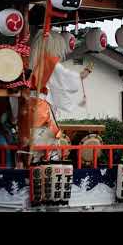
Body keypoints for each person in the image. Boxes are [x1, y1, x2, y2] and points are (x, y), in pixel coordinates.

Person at [22, 30, 91, 163]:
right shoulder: (48, 61)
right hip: (40, 105)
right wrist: (80, 76)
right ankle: (49, 162)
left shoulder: (30, 61)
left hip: (27, 104)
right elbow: (65, 78)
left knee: (34, 139)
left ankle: (33, 163)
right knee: (50, 138)